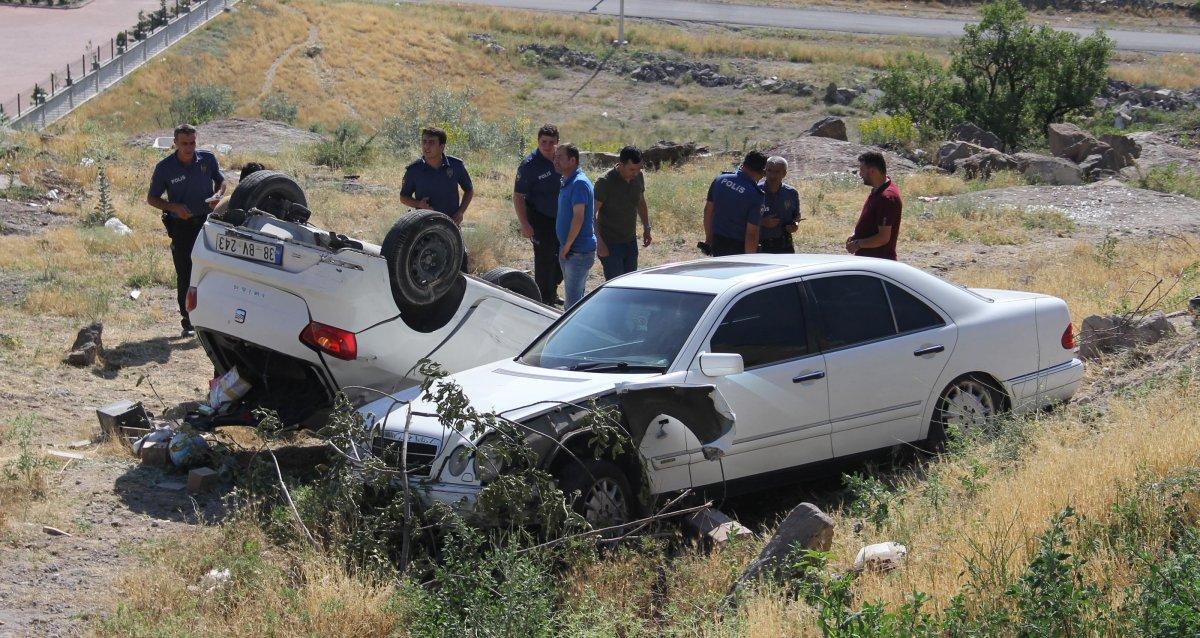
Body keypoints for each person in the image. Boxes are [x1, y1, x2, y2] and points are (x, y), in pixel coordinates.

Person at [147, 124, 225, 337]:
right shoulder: (165, 168)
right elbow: (152, 198)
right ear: (175, 143)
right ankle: (188, 321)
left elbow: (221, 181)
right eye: (184, 143)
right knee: (186, 272)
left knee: (212, 270)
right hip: (181, 227)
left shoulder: (207, 159)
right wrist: (174, 207)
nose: (189, 147)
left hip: (207, 223)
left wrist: (218, 195)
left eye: (192, 143)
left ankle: (213, 317)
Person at [513, 124, 564, 305]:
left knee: (565, 257)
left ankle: (553, 289)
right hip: (540, 218)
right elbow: (518, 196)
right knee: (544, 260)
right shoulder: (529, 165)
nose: (547, 146)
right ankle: (543, 301)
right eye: (544, 142)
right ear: (538, 141)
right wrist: (524, 224)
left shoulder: (563, 159)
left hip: (563, 218)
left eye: (551, 142)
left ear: (558, 142)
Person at [594, 146, 652, 280]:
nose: (636, 173)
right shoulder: (605, 182)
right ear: (621, 164)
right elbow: (591, 215)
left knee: (629, 282)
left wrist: (646, 227)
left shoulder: (638, 177)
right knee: (615, 284)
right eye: (632, 169)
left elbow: (641, 202)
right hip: (610, 243)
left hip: (630, 241)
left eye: (639, 169)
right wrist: (599, 242)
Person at [552, 143, 597, 309]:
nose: (555, 161)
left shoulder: (579, 183)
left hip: (578, 252)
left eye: (560, 158)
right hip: (570, 250)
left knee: (571, 305)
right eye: (555, 157)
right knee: (576, 301)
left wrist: (568, 246)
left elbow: (579, 217)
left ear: (572, 160)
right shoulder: (567, 181)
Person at [400, 126, 474, 225]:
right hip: (423, 226)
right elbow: (403, 197)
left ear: (441, 146)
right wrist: (418, 204)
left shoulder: (456, 165)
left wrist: (461, 212)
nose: (426, 146)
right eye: (424, 141)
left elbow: (469, 190)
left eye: (431, 142)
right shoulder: (414, 170)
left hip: (450, 225)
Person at [703, 151, 767, 257]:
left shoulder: (720, 180)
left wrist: (709, 239)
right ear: (761, 172)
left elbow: (707, 211)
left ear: (744, 164)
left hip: (717, 241)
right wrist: (750, 259)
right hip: (737, 248)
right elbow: (751, 233)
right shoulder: (756, 195)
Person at [846, 151, 902, 260]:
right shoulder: (877, 191)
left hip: (878, 263)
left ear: (872, 171)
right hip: (869, 260)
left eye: (862, 170)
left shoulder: (887, 197)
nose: (860, 174)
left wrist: (858, 244)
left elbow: (883, 238)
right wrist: (855, 235)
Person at [758, 156, 800, 254]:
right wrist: (762, 222)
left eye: (777, 172)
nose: (772, 175)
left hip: (785, 245)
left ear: (784, 173)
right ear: (764, 171)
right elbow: (741, 218)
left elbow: (796, 216)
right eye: (769, 171)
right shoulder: (756, 191)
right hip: (761, 246)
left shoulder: (791, 193)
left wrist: (795, 225)